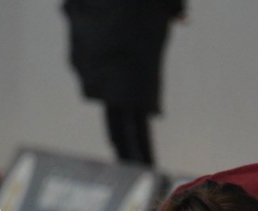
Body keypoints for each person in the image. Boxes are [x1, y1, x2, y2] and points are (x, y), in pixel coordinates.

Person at [62, 0, 185, 166]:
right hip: (123, 29)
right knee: (125, 118)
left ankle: (143, 180)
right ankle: (142, 179)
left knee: (126, 119)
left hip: (123, 29)